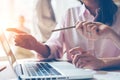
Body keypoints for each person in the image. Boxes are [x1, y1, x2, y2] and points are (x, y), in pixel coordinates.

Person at [7, 0, 120, 70]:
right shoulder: (69, 14)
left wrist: (102, 63)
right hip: (75, 76)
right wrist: (35, 45)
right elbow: (54, 48)